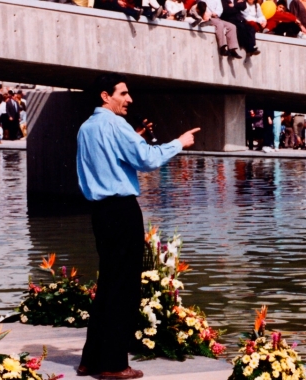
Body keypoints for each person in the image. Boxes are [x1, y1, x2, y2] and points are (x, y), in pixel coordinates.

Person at [76, 73, 199, 379]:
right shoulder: (115, 124)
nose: (129, 99)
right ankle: (114, 364)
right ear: (106, 96)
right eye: (124, 93)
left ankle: (91, 359)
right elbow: (146, 159)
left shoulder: (85, 128)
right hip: (122, 211)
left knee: (107, 285)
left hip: (100, 212)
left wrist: (137, 135)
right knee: (124, 287)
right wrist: (179, 143)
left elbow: (111, 158)